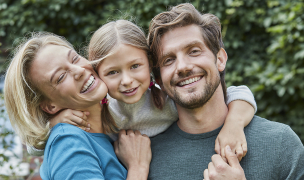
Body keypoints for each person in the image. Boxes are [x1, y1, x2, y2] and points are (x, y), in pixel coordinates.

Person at [146, 3, 304, 180]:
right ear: (159, 79)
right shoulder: (144, 156)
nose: (182, 66)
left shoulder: (280, 143)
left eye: (193, 51)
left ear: (220, 59)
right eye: (168, 60)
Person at [42, 19, 257, 162]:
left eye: (135, 67)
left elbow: (240, 94)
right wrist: (54, 123)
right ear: (98, 74)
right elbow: (37, 145)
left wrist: (234, 124)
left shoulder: (167, 101)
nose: (127, 80)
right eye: (113, 72)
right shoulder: (100, 113)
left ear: (151, 65)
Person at [4, 32, 151, 180]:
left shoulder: (115, 119)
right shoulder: (68, 142)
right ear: (50, 106)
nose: (79, 70)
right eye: (61, 77)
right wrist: (138, 168)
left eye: (74, 58)